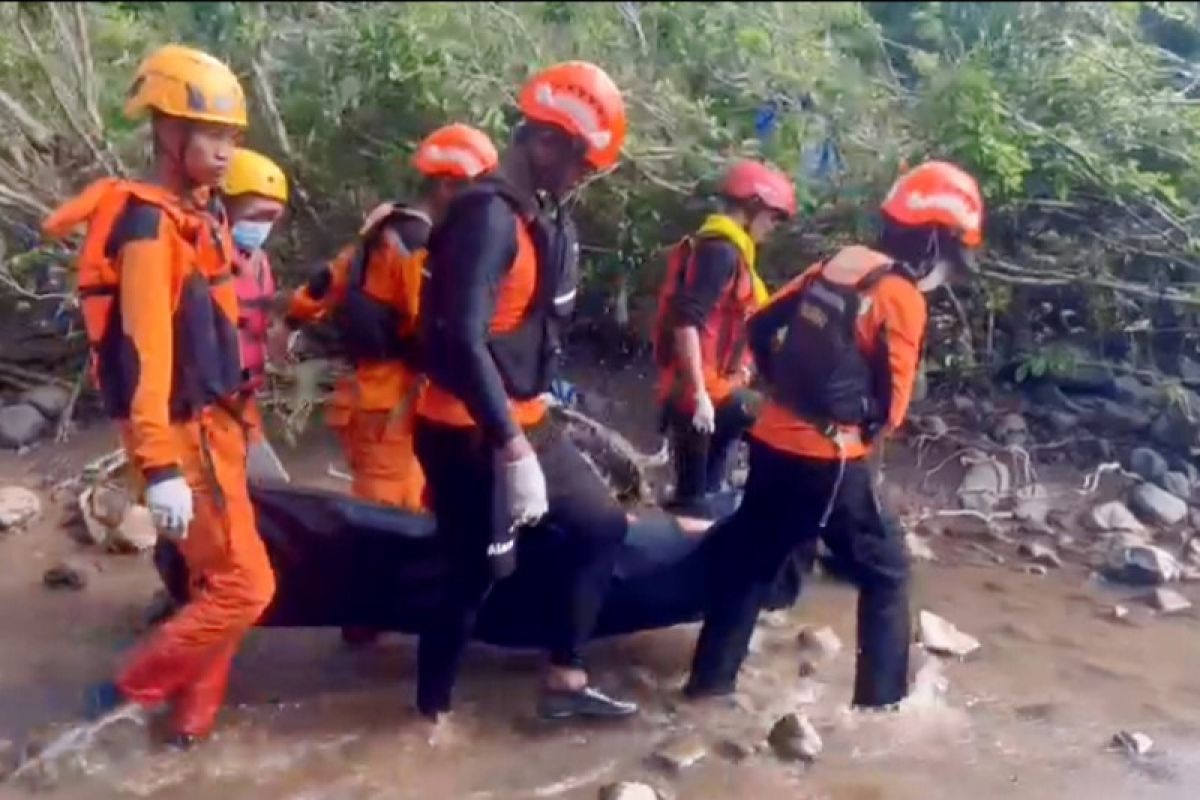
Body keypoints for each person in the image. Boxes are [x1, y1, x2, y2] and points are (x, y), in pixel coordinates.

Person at [684, 160, 984, 708]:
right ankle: (880, 710)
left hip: (772, 439)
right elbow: (892, 410)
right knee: (888, 571)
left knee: (750, 562)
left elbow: (760, 324)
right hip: (830, 460)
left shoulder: (839, 263)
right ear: (937, 242)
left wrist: (781, 391)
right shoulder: (901, 296)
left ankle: (708, 688)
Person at [42, 44, 273, 746]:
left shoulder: (194, 212)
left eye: (235, 137)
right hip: (180, 436)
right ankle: (113, 702)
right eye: (215, 136)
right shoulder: (148, 228)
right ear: (171, 135)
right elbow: (146, 352)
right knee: (246, 588)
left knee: (220, 588)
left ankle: (187, 732)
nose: (229, 150)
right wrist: (160, 468)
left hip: (216, 425)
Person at [414, 61, 638, 727]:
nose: (585, 178)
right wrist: (510, 448)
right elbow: (459, 338)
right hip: (468, 430)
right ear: (548, 143)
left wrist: (525, 433)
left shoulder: (538, 212)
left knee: (602, 525)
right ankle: (430, 719)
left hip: (526, 420)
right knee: (472, 574)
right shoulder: (486, 217)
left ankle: (564, 679)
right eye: (582, 164)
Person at [286, 124, 497, 647]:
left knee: (409, 508)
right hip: (390, 401)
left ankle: (383, 614)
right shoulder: (418, 247)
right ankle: (360, 621)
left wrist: (288, 320)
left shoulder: (385, 229)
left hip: (374, 396)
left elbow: (321, 287)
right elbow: (437, 326)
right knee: (383, 518)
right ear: (449, 185)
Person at [653, 159, 795, 516]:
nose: (773, 228)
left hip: (709, 390)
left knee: (699, 496)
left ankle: (707, 511)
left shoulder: (724, 249)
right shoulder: (721, 252)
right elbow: (687, 322)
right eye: (772, 218)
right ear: (753, 207)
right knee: (783, 425)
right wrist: (699, 395)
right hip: (701, 396)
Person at [223, 147, 291, 483]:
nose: (261, 226)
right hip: (206, 401)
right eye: (256, 214)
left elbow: (262, 319)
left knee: (264, 488)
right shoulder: (201, 258)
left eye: (271, 218)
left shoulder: (259, 262)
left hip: (244, 396)